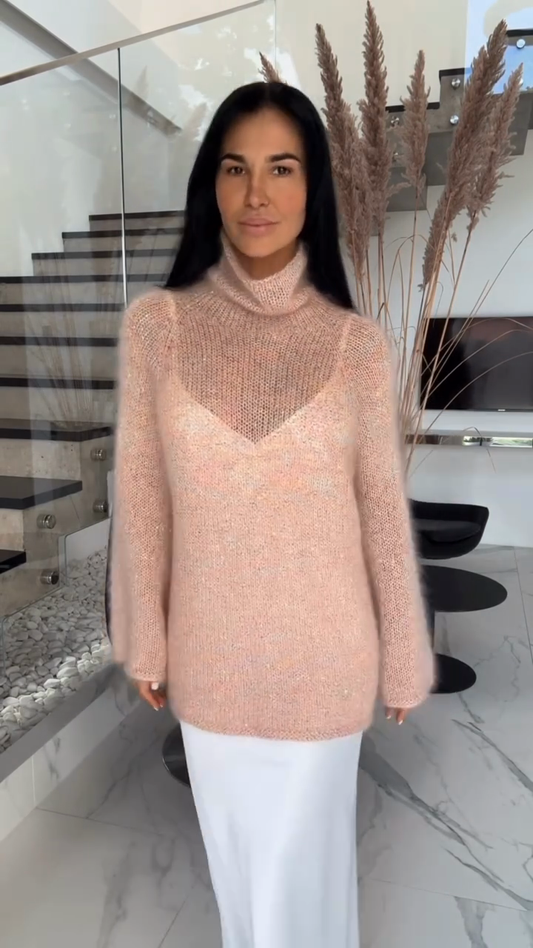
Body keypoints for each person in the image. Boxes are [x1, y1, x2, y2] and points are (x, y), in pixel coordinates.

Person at [111, 81, 434, 948]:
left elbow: (379, 509)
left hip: (325, 656)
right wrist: (146, 637)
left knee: (304, 872)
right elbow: (141, 496)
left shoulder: (354, 345)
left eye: (281, 168)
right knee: (241, 875)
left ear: (312, 185)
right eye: (235, 168)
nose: (256, 193)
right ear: (211, 185)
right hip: (210, 654)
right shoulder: (158, 327)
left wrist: (404, 654)